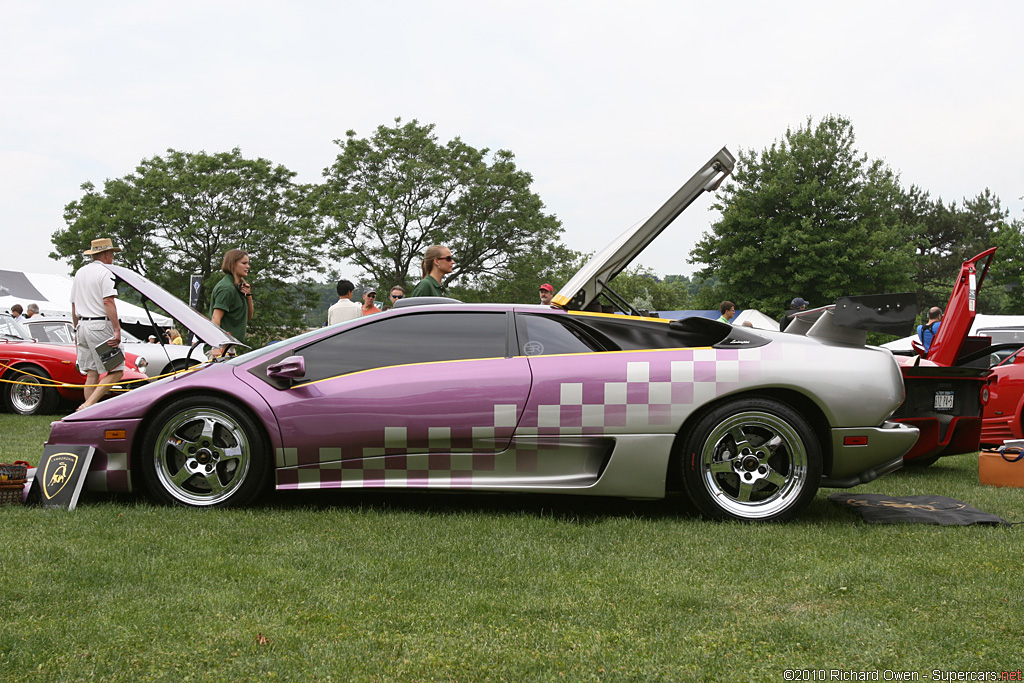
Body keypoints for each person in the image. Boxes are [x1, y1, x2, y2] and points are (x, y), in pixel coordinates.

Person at [70, 237, 124, 410]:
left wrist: (75, 328)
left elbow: (73, 304)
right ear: (106, 254)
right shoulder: (105, 272)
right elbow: (108, 301)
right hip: (99, 326)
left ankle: (87, 413)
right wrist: (117, 329)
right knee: (116, 371)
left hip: (82, 326)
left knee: (92, 373)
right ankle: (87, 405)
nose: (113, 257)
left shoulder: (80, 272)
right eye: (112, 254)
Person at [209, 248, 254, 353]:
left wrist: (248, 296)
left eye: (248, 263)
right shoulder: (226, 288)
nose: (248, 266)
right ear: (232, 264)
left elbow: (249, 316)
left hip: (229, 347)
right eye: (244, 263)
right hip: (220, 348)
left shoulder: (237, 287)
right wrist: (215, 346)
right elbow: (216, 318)